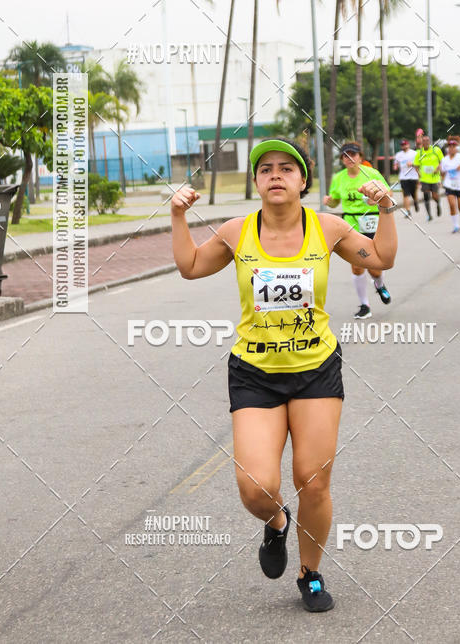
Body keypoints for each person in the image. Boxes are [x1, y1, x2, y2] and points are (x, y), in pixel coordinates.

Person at [171, 138, 398, 611]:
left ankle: (310, 572)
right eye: (266, 169)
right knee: (255, 487)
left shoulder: (327, 227)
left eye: (286, 168)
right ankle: (276, 523)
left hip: (315, 369)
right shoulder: (237, 231)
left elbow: (380, 259)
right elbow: (190, 266)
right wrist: (177, 216)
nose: (275, 175)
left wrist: (385, 209)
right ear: (256, 182)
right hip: (255, 372)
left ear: (303, 179)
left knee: (313, 481)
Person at [324, 142, 392, 317]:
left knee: (375, 268)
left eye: (353, 154)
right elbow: (335, 201)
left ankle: (379, 284)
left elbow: (389, 193)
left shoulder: (371, 174)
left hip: (372, 222)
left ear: (360, 157)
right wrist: (329, 201)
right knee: (357, 267)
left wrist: (377, 198)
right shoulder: (339, 178)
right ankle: (364, 306)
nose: (349, 158)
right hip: (351, 226)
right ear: (342, 159)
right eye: (345, 155)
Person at [440, 137, 460, 233]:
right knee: (452, 205)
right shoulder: (444, 160)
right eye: (450, 146)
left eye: (453, 146)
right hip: (449, 185)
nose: (451, 148)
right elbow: (443, 172)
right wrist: (441, 180)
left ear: (456, 148)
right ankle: (456, 226)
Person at [411, 134, 444, 222]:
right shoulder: (419, 153)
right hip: (424, 179)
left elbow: (442, 161)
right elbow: (416, 165)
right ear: (421, 142)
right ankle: (429, 215)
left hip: (435, 178)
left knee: (434, 195)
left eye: (427, 141)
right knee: (426, 196)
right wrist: (419, 173)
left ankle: (438, 204)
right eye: (424, 141)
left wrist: (438, 168)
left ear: (430, 142)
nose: (425, 142)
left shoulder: (436, 150)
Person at [393, 138, 419, 216]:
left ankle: (415, 202)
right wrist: (395, 166)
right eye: (402, 145)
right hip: (403, 177)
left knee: (414, 193)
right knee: (405, 195)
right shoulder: (398, 155)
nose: (404, 146)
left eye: (405, 145)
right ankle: (408, 211)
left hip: (413, 177)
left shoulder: (414, 153)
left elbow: (419, 164)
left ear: (408, 145)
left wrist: (412, 164)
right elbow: (395, 163)